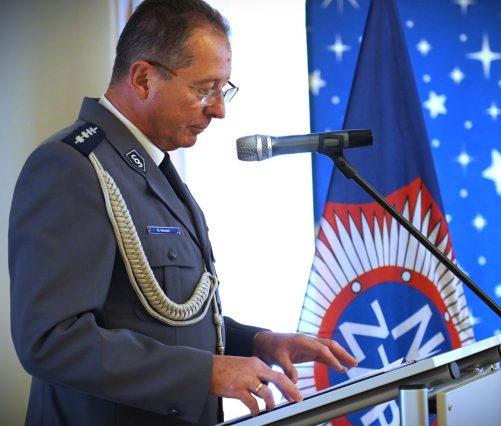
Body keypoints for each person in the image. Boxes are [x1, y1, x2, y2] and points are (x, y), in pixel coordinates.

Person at [8, 0, 357, 425]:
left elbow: (166, 320)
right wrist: (204, 373)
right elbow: (51, 340)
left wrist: (258, 342)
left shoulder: (151, 166)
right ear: (143, 78)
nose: (219, 109)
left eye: (223, 89)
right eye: (205, 89)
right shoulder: (71, 167)